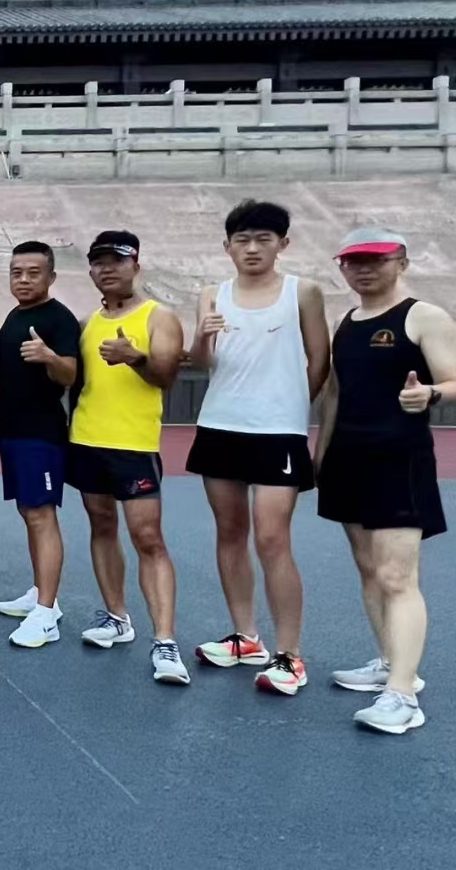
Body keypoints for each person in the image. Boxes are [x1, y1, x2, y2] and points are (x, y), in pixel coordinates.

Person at [315, 227, 456, 734]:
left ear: (401, 262)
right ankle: (388, 662)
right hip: (347, 459)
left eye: (375, 260)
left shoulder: (423, 316)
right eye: (352, 261)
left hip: (398, 459)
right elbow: (334, 392)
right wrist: (322, 453)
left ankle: (404, 695)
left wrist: (429, 396)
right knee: (369, 569)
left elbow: (455, 382)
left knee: (398, 576)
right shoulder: (348, 321)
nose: (363, 268)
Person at [186, 201, 330, 694]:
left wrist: (288, 408)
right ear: (227, 246)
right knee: (230, 531)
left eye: (263, 239)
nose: (252, 248)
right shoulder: (212, 293)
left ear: (282, 244)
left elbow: (319, 361)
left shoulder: (302, 293)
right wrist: (201, 339)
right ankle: (246, 637)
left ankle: (290, 654)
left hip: (278, 433)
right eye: (242, 240)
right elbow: (201, 361)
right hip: (220, 426)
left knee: (272, 539)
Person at [70, 230, 190, 684]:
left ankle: (165, 642)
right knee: (101, 527)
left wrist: (135, 356)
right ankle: (116, 618)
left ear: (135, 265)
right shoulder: (86, 323)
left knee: (148, 538)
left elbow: (166, 376)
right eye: (98, 262)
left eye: (116, 262)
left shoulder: (160, 317)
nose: (107, 269)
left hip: (135, 446)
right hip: (87, 439)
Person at [0, 242, 82, 648]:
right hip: (13, 429)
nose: (23, 279)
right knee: (29, 512)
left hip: (41, 433)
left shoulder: (58, 319)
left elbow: (69, 375)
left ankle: (46, 613)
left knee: (42, 515)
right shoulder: (14, 315)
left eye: (32, 272)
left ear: (51, 277)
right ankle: (42, 596)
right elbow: (9, 376)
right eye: (16, 272)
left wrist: (48, 356)